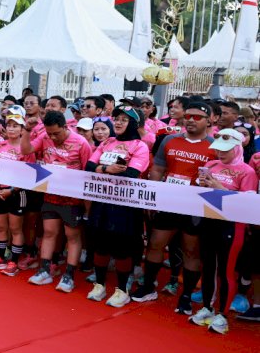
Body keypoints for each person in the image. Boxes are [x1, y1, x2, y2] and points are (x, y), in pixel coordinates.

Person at [130, 101, 218, 313]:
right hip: (168, 202)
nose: (190, 120)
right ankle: (148, 287)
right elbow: (158, 169)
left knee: (191, 252)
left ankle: (186, 296)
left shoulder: (215, 146)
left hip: (195, 206)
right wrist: (152, 197)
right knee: (155, 244)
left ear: (209, 121)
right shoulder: (170, 140)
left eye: (197, 117)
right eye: (187, 116)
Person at [190, 129, 257, 334]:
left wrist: (222, 189)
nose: (220, 154)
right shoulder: (211, 165)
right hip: (209, 220)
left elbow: (248, 203)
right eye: (218, 150)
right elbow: (197, 193)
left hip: (232, 225)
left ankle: (223, 315)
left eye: (225, 150)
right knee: (208, 267)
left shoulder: (247, 171)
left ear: (237, 148)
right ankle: (207, 307)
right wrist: (200, 184)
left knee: (226, 271)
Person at [84, 106, 150, 308]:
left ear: (134, 124)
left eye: (124, 119)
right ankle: (100, 285)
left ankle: (122, 290)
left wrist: (103, 170)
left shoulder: (140, 146)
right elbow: (89, 166)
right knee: (100, 245)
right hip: (101, 200)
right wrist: (107, 169)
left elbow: (131, 174)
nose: (118, 123)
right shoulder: (107, 142)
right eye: (116, 118)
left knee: (122, 249)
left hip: (125, 205)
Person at [22, 111, 93, 292]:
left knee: (72, 237)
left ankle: (69, 276)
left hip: (72, 199)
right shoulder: (45, 137)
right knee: (49, 232)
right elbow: (26, 150)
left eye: (56, 133)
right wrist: (27, 131)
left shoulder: (81, 143)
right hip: (50, 195)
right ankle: (44, 270)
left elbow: (88, 173)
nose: (52, 137)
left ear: (65, 127)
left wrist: (87, 206)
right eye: (49, 133)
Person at [0, 111, 33, 275]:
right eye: (9, 125)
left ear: (22, 129)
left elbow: (28, 175)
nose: (11, 129)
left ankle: (14, 262)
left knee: (15, 229)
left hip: (17, 193)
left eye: (15, 126)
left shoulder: (26, 148)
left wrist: (10, 191)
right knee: (1, 227)